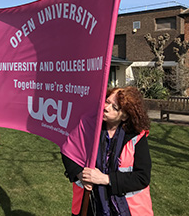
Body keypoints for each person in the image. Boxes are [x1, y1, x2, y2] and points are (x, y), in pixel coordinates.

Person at [62, 87, 153, 216]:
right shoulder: (88, 127)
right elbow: (68, 152)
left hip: (126, 210)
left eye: (114, 107)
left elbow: (142, 177)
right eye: (107, 101)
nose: (106, 107)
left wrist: (105, 179)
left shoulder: (136, 137)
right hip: (90, 206)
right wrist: (80, 174)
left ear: (125, 116)